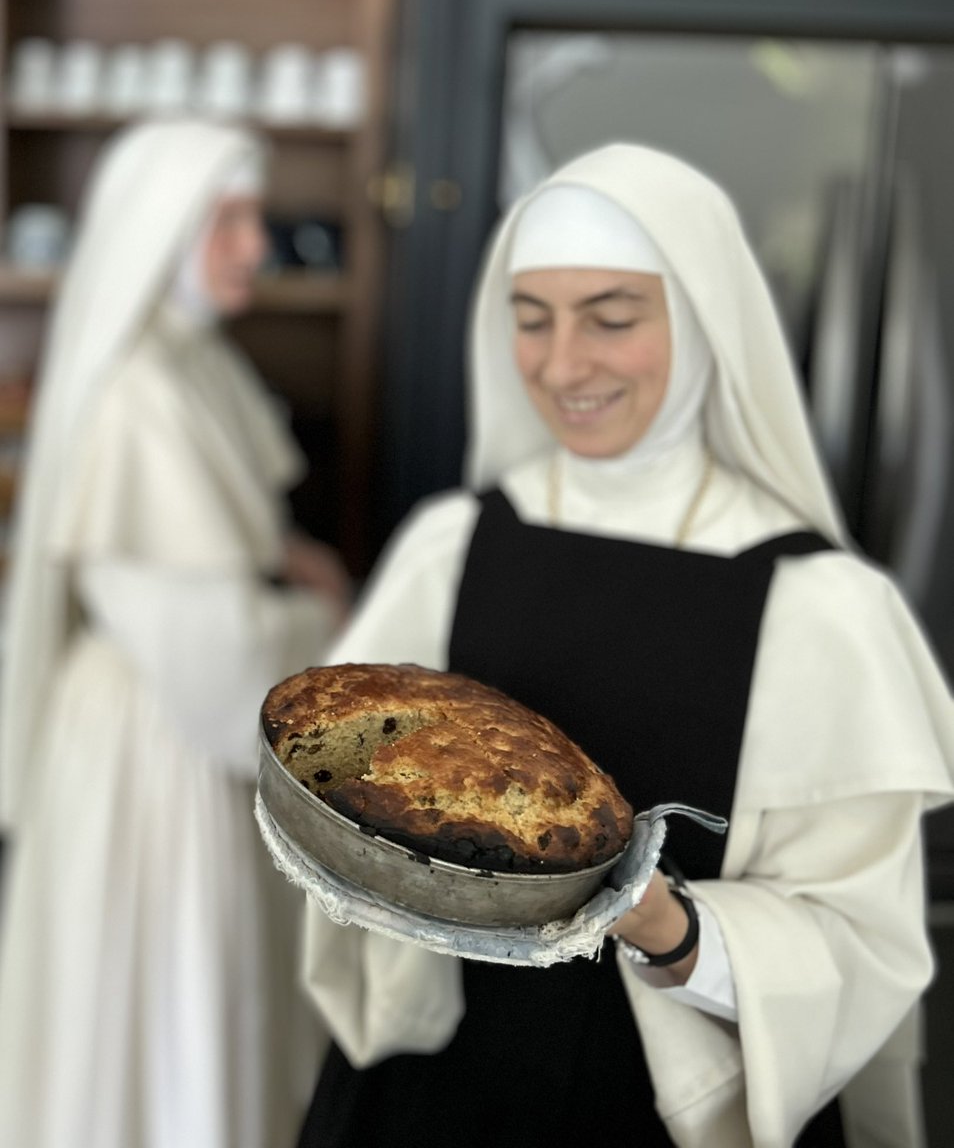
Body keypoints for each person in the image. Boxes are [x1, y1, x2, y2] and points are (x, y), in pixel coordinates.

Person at [291, 144, 954, 1148]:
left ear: (701, 323)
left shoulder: (823, 609)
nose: (564, 365)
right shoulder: (452, 545)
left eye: (611, 317)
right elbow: (340, 798)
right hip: (433, 1097)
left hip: (658, 1108)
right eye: (531, 319)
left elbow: (861, 949)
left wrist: (672, 927)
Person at [0, 118, 350, 1148]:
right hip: (158, 752)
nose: (256, 244)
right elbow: (217, 672)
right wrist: (327, 624)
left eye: (255, 215)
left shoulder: (191, 362)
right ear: (163, 228)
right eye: (228, 220)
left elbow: (232, 539)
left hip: (156, 727)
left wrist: (285, 561)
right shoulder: (140, 394)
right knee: (167, 1012)